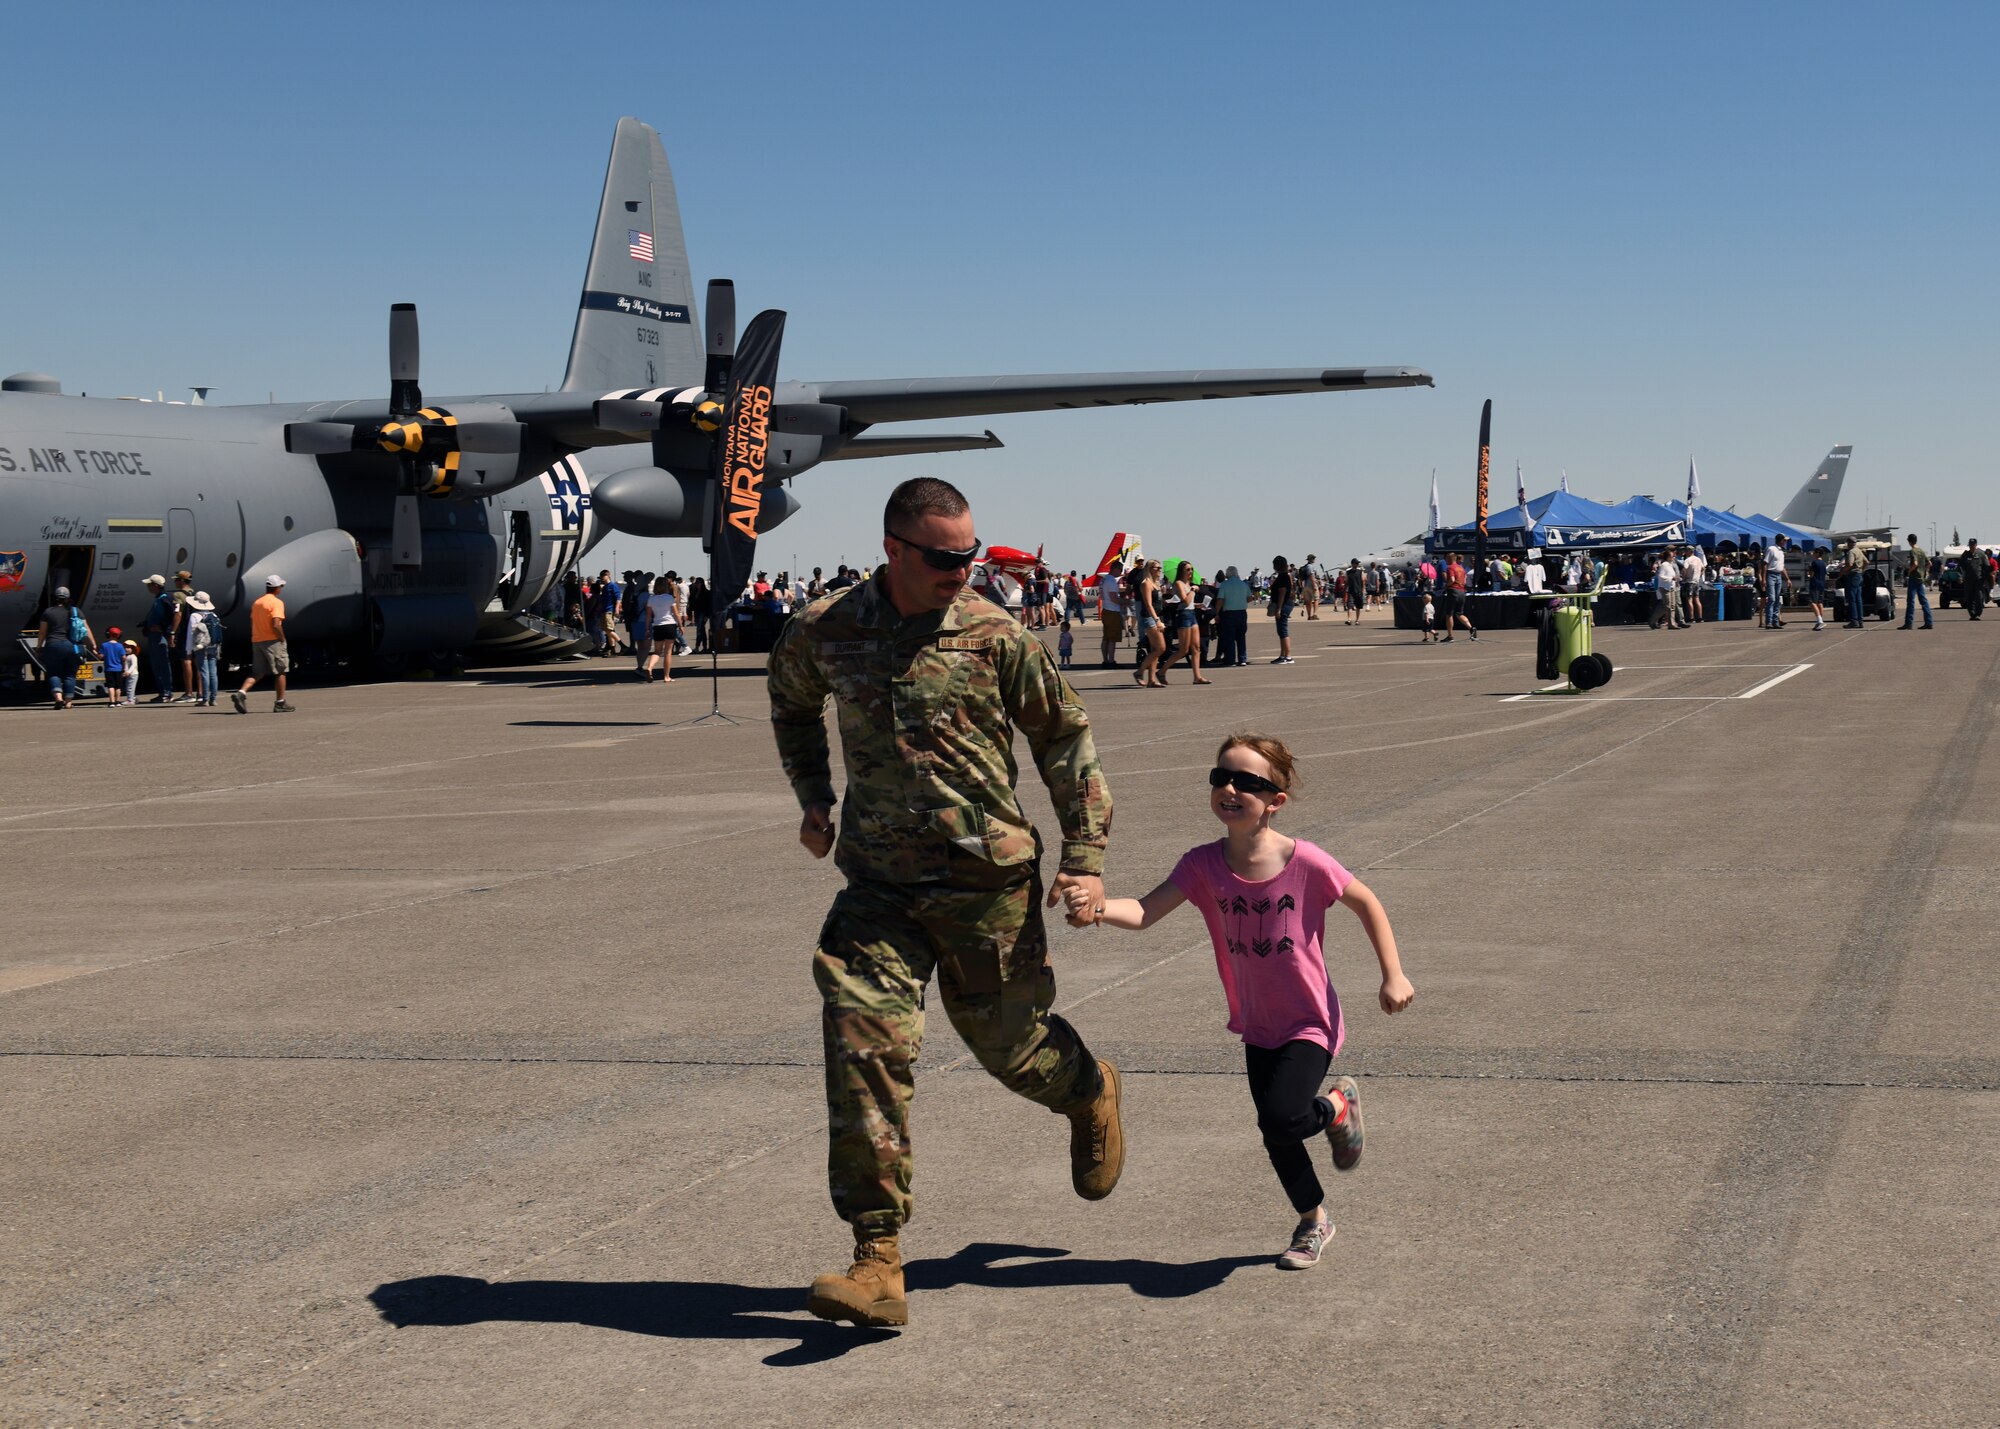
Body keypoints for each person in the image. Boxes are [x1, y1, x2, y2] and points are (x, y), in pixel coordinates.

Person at [767, 476, 1124, 1331]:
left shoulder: (995, 634)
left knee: (1012, 1050)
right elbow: (789, 701)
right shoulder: (827, 628)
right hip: (879, 888)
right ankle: (877, 1255)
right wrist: (813, 794)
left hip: (984, 887)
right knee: (863, 1043)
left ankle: (1087, 1089)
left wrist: (1085, 856)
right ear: (893, 548)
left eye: (970, 553)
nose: (962, 569)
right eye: (944, 557)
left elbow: (1064, 738)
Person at [1064, 734, 1414, 1271]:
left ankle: (1335, 1107)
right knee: (1276, 1132)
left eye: (1248, 783)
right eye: (1221, 777)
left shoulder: (1307, 861)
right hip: (1257, 1022)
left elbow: (1366, 901)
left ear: (1276, 800)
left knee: (1283, 1115)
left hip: (1308, 1019)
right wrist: (1097, 907)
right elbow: (1144, 912)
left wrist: (1392, 974)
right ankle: (1314, 1219)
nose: (1230, 789)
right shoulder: (1202, 865)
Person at [230, 575, 295, 713]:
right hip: (273, 641)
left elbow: (252, 622)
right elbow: (276, 624)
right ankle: (280, 702)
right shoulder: (276, 602)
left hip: (257, 640)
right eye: (280, 587)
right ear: (277, 588)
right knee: (281, 671)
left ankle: (241, 692)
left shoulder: (257, 603)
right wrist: (282, 638)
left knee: (257, 672)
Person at [36, 585, 92, 709]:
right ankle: (68, 702)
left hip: (53, 645)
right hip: (72, 646)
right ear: (68, 597)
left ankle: (58, 697)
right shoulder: (76, 611)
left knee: (54, 673)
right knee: (70, 675)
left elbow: (42, 632)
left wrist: (39, 646)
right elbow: (86, 629)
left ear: (56, 598)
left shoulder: (48, 612)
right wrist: (93, 644)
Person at [139, 574, 176, 701]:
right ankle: (162, 692)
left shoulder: (165, 599)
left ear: (156, 585)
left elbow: (173, 616)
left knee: (162, 664)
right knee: (157, 664)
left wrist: (164, 629)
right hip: (154, 635)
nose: (148, 587)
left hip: (160, 636)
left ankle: (166, 692)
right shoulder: (160, 598)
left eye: (149, 585)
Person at [1133, 559, 1167, 687]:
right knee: (1160, 648)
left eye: (1160, 568)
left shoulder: (1156, 583)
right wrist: (1157, 620)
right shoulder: (1146, 583)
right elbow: (1148, 604)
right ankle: (1139, 672)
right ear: (1149, 569)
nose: (1159, 570)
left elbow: (1156, 602)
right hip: (1149, 618)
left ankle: (1151, 680)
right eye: (1156, 568)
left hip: (1156, 617)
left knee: (1155, 649)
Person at [185, 591, 222, 705]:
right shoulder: (214, 615)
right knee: (213, 673)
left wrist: (188, 649)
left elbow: (190, 634)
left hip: (200, 646)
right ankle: (213, 698)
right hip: (213, 646)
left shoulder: (194, 616)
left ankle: (204, 699)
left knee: (204, 672)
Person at [644, 573, 681, 682]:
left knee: (657, 651)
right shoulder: (669, 598)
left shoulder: (651, 599)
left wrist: (647, 629)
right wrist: (681, 625)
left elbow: (648, 616)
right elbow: (676, 613)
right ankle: (666, 676)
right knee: (668, 652)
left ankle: (650, 667)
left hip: (657, 626)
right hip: (669, 625)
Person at [170, 570, 199, 702]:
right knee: (198, 661)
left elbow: (178, 614)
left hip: (185, 631)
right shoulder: (195, 594)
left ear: (181, 581)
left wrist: (173, 632)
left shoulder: (178, 595)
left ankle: (188, 692)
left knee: (186, 660)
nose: (175, 581)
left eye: (176, 579)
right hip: (197, 630)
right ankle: (201, 692)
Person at [1216, 565, 1250, 667]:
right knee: (1241, 637)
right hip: (1242, 613)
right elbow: (1250, 598)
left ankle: (1231, 660)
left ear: (1227, 574)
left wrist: (1216, 613)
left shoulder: (1224, 585)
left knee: (1229, 637)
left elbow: (1220, 600)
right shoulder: (1243, 584)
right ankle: (1242, 659)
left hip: (1229, 613)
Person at [1441, 553, 1477, 642]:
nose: (1445, 561)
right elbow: (1464, 581)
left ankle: (1450, 636)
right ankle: (1471, 628)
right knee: (1459, 613)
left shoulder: (1450, 568)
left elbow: (1452, 580)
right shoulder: (1461, 568)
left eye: (1446, 559)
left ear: (1450, 558)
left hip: (1453, 591)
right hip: (1462, 591)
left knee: (1449, 614)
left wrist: (1446, 586)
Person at [1267, 556, 1296, 664]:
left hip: (1284, 605)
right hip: (1286, 604)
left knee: (1283, 630)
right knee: (1281, 630)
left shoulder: (1283, 577)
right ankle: (1283, 655)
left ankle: (1288, 656)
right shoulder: (1284, 576)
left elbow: (1282, 593)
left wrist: (1278, 609)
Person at [1901, 533, 1934, 630]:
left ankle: (1909, 623)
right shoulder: (1921, 551)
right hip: (1920, 578)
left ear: (1909, 541)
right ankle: (1929, 622)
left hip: (1914, 578)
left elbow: (1915, 563)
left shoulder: (1913, 551)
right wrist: (1924, 572)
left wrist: (1909, 571)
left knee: (1910, 601)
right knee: (1923, 601)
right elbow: (1929, 563)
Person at [1097, 558, 1125, 667]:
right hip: (1113, 611)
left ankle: (1105, 660)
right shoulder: (1111, 581)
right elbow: (1114, 598)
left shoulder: (1103, 580)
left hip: (1106, 609)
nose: (1120, 572)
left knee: (1106, 637)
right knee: (1112, 638)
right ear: (1115, 569)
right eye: (1120, 570)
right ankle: (1111, 661)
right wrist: (1124, 602)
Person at [1841, 541, 1869, 628]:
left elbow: (1850, 564)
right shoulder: (1859, 551)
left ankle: (1854, 620)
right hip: (1859, 576)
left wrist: (1843, 571)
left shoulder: (1851, 552)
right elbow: (1867, 562)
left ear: (1849, 544)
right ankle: (1860, 620)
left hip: (1852, 576)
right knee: (1858, 599)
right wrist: (1861, 570)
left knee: (1851, 599)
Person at [1763, 537, 1788, 629]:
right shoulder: (1771, 549)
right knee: (1772, 598)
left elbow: (1782, 566)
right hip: (1771, 574)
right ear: (1780, 540)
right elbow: (1765, 564)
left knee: (1777, 599)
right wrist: (1764, 579)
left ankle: (1775, 621)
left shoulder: (1781, 551)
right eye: (1784, 540)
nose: (1785, 542)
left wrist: (1787, 578)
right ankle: (1768, 622)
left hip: (1778, 575)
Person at [101, 626, 127, 707]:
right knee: (118, 686)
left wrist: (95, 652)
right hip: (118, 669)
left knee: (111, 686)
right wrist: (124, 668)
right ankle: (118, 701)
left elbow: (101, 656)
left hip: (109, 669)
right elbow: (124, 658)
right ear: (119, 635)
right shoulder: (120, 646)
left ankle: (112, 702)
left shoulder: (104, 645)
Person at [687, 577, 713, 653]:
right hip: (696, 613)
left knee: (699, 629)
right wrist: (689, 613)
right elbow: (691, 604)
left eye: (699, 582)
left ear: (702, 583)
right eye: (696, 582)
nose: (697, 584)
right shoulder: (694, 592)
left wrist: (707, 615)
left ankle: (697, 647)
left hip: (703, 613)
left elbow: (709, 605)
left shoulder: (706, 593)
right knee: (702, 630)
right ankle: (704, 647)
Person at [1806, 549, 1829, 631]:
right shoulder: (1824, 563)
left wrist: (1809, 573)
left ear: (1817, 554)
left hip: (1815, 583)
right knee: (1820, 602)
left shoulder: (1814, 563)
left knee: (1813, 602)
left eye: (1814, 552)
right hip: (1822, 584)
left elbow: (1811, 574)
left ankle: (1820, 621)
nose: (1813, 554)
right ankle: (1820, 620)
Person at [1300, 554, 1321, 621]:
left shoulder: (1306, 566)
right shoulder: (1310, 566)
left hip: (1307, 585)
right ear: (1311, 559)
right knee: (1316, 599)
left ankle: (1309, 615)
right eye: (1313, 558)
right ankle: (1314, 614)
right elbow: (1311, 576)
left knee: (1308, 601)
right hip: (1311, 585)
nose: (1314, 560)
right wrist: (1314, 585)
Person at [121, 640, 141, 705]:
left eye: (129, 648)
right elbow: (126, 665)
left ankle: (130, 700)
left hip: (133, 674)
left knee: (130, 688)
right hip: (129, 674)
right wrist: (125, 671)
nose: (126, 649)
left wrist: (128, 672)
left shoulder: (133, 656)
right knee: (128, 687)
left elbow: (133, 665)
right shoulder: (128, 656)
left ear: (133, 649)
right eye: (125, 648)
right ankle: (134, 698)